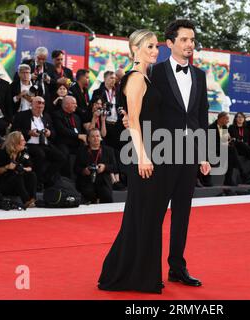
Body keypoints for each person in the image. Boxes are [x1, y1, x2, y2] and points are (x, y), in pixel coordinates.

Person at [98, 29, 169, 293]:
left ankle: (129, 273)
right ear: (135, 48)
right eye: (149, 46)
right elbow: (135, 122)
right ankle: (132, 275)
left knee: (143, 217)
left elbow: (136, 118)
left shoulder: (143, 78)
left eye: (156, 46)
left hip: (152, 153)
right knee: (144, 216)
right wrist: (142, 157)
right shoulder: (137, 78)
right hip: (145, 155)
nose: (155, 51)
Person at [150, 19, 210, 286]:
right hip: (162, 152)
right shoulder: (155, 72)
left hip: (190, 154)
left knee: (182, 214)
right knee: (155, 213)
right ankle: (150, 269)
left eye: (193, 40)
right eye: (184, 39)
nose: (190, 44)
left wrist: (205, 154)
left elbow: (201, 115)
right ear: (170, 43)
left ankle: (177, 267)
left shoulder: (199, 75)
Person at [11, 96, 66, 188]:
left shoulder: (46, 116)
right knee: (40, 154)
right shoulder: (22, 115)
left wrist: (49, 133)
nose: (40, 105)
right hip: (29, 144)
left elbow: (53, 132)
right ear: (31, 104)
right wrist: (29, 132)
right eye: (38, 102)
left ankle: (45, 179)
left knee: (61, 157)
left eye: (43, 103)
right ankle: (37, 182)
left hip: (44, 144)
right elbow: (14, 130)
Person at [0, 131, 37, 208]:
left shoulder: (24, 151)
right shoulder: (4, 152)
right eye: (22, 140)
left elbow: (30, 167)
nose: (25, 142)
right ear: (15, 142)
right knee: (17, 175)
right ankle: (26, 200)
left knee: (32, 174)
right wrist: (7, 167)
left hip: (20, 184)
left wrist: (22, 168)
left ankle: (32, 199)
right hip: (5, 183)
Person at [74, 128, 115, 204]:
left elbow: (114, 167)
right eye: (93, 136)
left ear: (101, 138)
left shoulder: (109, 150)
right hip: (87, 180)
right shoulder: (81, 151)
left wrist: (104, 167)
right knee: (88, 194)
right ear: (88, 139)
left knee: (107, 196)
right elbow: (76, 169)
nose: (96, 138)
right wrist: (84, 171)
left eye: (97, 136)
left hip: (103, 180)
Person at [52, 96, 86, 178]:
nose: (76, 106)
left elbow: (80, 131)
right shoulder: (57, 115)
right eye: (74, 103)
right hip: (63, 142)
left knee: (86, 152)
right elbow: (62, 130)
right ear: (66, 105)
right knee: (64, 154)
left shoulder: (76, 117)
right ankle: (66, 178)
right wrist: (78, 136)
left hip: (76, 142)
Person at [228, 112, 250, 184]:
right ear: (235, 119)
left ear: (244, 119)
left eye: (242, 117)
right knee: (240, 142)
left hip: (245, 149)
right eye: (238, 117)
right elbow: (235, 139)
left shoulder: (246, 129)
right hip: (236, 148)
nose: (240, 118)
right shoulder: (231, 127)